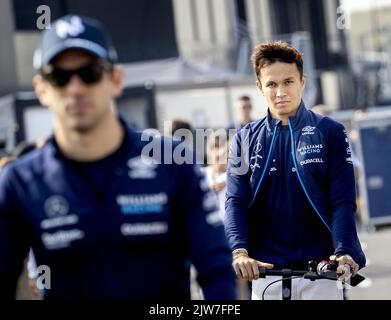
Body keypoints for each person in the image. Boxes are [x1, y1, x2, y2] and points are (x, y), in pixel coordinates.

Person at [0, 14, 236, 300]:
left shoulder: (172, 161)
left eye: (90, 73)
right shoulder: (21, 182)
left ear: (116, 79)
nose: (75, 89)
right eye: (60, 77)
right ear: (41, 90)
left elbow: (219, 273)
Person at [225, 41, 366, 300]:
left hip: (323, 274)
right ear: (259, 87)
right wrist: (239, 251)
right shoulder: (243, 138)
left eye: (288, 82)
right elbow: (235, 201)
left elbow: (342, 201)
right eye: (271, 84)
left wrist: (344, 250)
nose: (280, 91)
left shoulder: (331, 132)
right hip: (265, 276)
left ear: (303, 81)